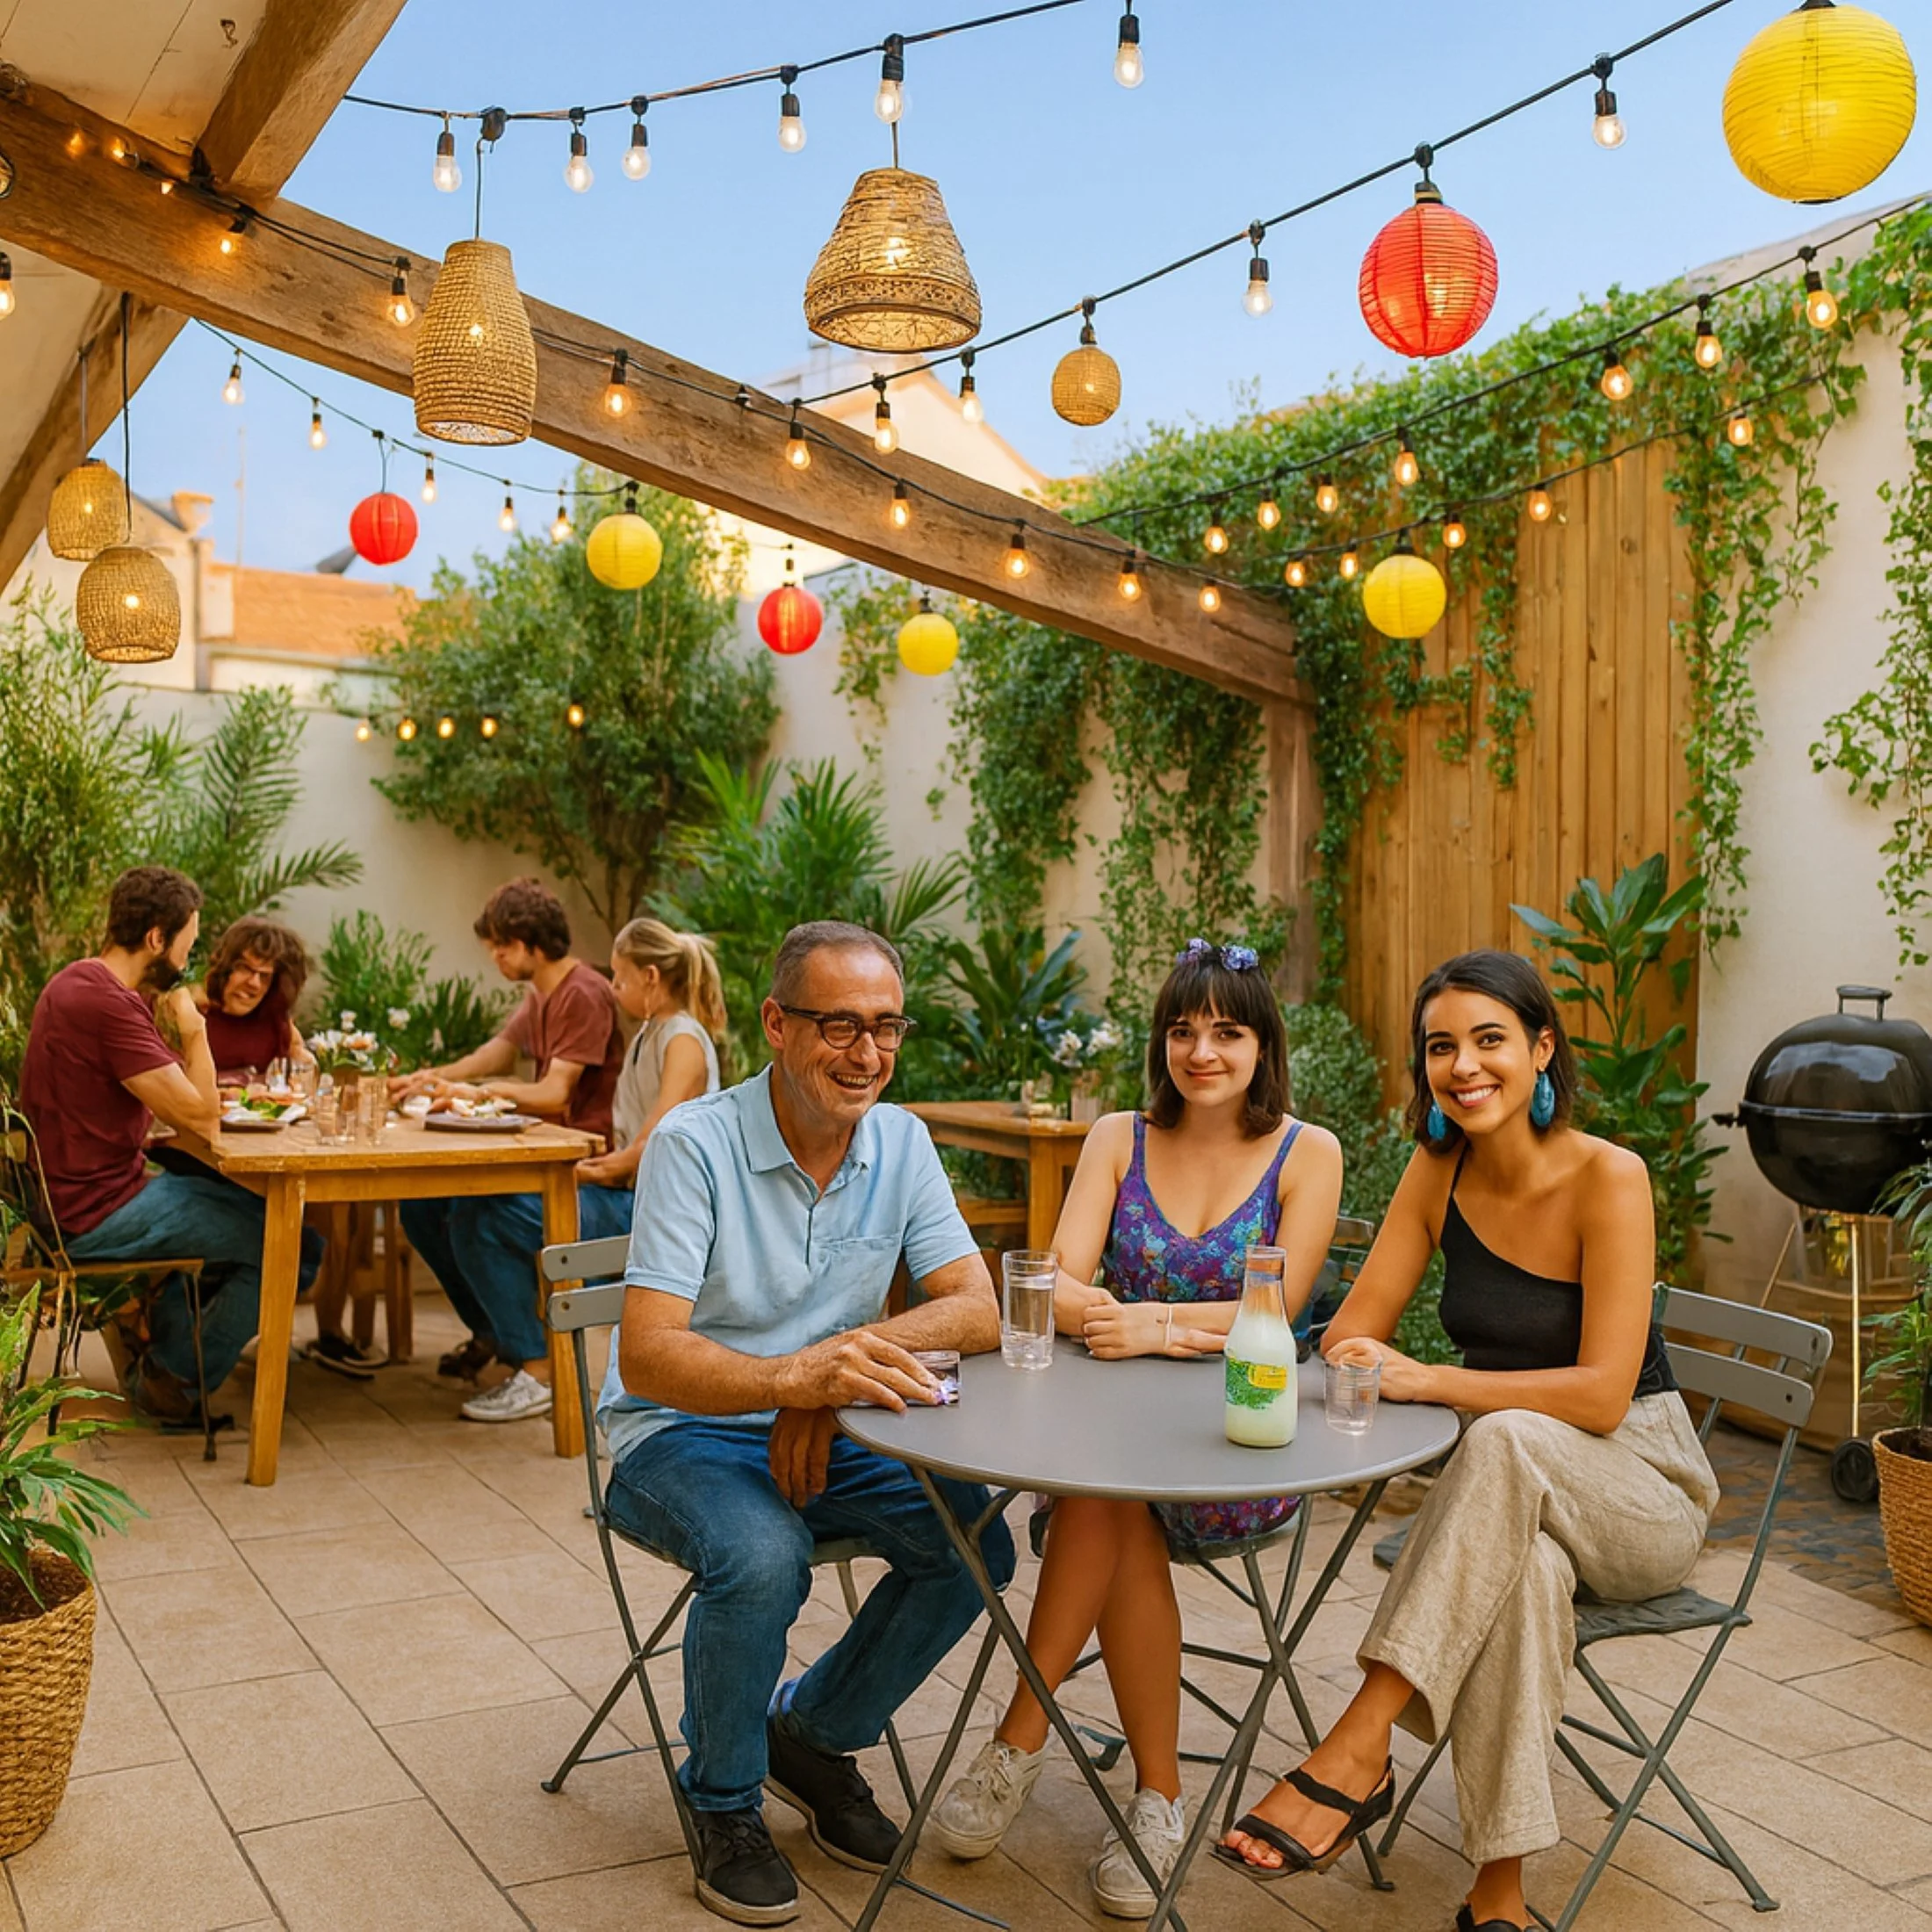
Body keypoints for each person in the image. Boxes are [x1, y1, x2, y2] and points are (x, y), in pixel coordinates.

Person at [1215, 949, 1718, 1932]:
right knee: (1520, 1572)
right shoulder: (1437, 1169)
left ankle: (1359, 1743)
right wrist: (1375, 1356)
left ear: (1540, 1049)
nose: (1463, 1064)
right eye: (1440, 1045)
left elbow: (1606, 1394)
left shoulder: (1608, 1178)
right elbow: (1355, 1330)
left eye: (1489, 1039)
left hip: (1642, 1488)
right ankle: (1498, 1899)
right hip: (1520, 1495)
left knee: (1505, 1438)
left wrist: (1436, 1379)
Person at [596, 920, 1013, 1928]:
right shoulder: (696, 1144)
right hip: (673, 1428)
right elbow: (651, 1351)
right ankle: (724, 1797)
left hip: (817, 1415)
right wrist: (799, 1378)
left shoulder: (901, 1140)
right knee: (763, 1552)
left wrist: (819, 1390)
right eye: (837, 1025)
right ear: (778, 1026)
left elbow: (976, 1309)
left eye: (885, 1027)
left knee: (972, 1541)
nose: (865, 1053)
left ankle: (812, 1734)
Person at [926, 936, 1343, 1917]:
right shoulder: (1119, 1136)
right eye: (1182, 1029)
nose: (1201, 1050)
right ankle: (1159, 1799)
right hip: (1104, 1429)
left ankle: (1018, 1743)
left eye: (1227, 1031)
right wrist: (1164, 1322)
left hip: (1237, 1440)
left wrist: (1148, 1322)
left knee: (1101, 1502)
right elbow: (1052, 1282)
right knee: (1106, 1499)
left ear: (1262, 1044)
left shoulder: (1306, 1152)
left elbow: (1279, 1313)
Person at [17, 866, 322, 1424]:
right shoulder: (109, 1002)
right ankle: (174, 1376)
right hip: (92, 1212)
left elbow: (148, 1097)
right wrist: (194, 1027)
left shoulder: (78, 983)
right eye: (189, 940)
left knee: (262, 1217)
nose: (191, 955)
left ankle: (165, 1352)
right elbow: (203, 1116)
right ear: (158, 937)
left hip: (77, 1195)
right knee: (288, 1243)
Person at [393, 877, 626, 1424]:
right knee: (424, 1208)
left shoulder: (583, 992)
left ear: (531, 942)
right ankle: (500, 1337)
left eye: (502, 945)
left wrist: (477, 1093)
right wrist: (429, 1078)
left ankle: (538, 1369)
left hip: (595, 1182)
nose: (495, 956)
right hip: (553, 1165)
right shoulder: (541, 994)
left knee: (481, 1218)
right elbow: (494, 1053)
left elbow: (554, 1092)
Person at [575, 916, 726, 1193]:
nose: (613, 987)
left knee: (505, 1214)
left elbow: (657, 1139)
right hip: (638, 1189)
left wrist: (591, 1172)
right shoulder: (652, 1032)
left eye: (619, 978)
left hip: (667, 1200)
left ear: (650, 977)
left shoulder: (682, 1040)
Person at [197, 917, 314, 1085]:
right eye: (244, 968)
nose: (254, 983)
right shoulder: (191, 1014)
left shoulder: (277, 1023)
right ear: (224, 967)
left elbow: (302, 1078)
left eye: (265, 976)